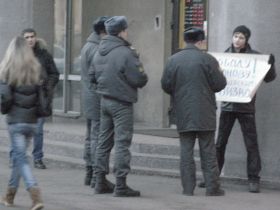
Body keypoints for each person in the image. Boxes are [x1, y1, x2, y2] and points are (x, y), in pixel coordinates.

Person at [161, 27, 226, 196]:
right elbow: (220, 84)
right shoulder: (208, 60)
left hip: (183, 112)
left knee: (186, 151)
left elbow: (166, 85)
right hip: (205, 112)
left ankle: (188, 189)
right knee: (208, 151)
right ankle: (213, 188)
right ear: (201, 41)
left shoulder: (173, 60)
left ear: (185, 40)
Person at [89, 16, 148, 197]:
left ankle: (99, 181)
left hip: (104, 100)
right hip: (122, 102)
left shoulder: (99, 50)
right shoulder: (125, 52)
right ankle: (121, 185)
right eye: (126, 29)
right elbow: (139, 79)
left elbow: (92, 76)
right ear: (122, 31)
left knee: (103, 142)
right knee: (122, 143)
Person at [214, 25, 276, 193]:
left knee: (251, 145)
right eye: (235, 36)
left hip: (246, 107)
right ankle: (213, 177)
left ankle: (254, 179)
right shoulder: (223, 57)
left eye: (241, 37)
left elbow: (269, 78)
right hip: (227, 106)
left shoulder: (256, 57)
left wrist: (271, 64)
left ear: (246, 39)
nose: (237, 40)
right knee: (220, 143)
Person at [0, 36, 44, 210]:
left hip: (16, 122)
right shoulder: (35, 69)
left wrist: (4, 109)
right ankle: (9, 196)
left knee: (21, 159)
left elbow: (5, 98)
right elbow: (41, 96)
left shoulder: (7, 70)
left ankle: (35, 196)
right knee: (19, 158)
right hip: (32, 122)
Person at [80, 16, 114, 190]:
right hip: (96, 98)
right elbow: (100, 76)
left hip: (88, 98)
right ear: (103, 31)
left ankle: (89, 172)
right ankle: (95, 173)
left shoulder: (88, 45)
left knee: (90, 136)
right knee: (97, 137)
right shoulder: (96, 48)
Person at [21, 28, 59, 169]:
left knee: (38, 130)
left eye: (32, 37)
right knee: (22, 129)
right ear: (23, 39)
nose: (30, 39)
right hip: (22, 99)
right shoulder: (18, 55)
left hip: (39, 99)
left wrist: (47, 87)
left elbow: (54, 74)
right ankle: (17, 157)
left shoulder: (44, 55)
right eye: (27, 37)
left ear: (35, 38)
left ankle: (38, 158)